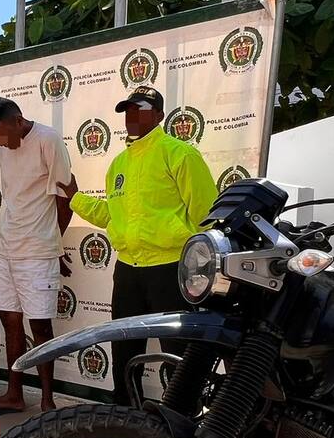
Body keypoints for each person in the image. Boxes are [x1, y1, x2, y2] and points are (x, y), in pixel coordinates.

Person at [61, 85, 218, 405]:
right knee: (123, 348)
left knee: (178, 351)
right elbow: (113, 217)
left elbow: (207, 215)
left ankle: (182, 422)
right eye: (128, 111)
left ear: (159, 115)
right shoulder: (119, 163)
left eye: (141, 110)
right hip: (128, 269)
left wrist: (179, 243)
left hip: (170, 268)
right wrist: (76, 198)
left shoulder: (180, 154)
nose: (133, 117)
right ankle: (124, 415)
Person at [0, 97, 73, 413]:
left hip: (38, 251)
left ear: (18, 120)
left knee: (41, 325)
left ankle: (48, 400)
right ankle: (15, 394)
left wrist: (55, 245)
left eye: (1, 133)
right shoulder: (3, 149)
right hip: (9, 248)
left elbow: (67, 196)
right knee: (9, 319)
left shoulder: (48, 139)